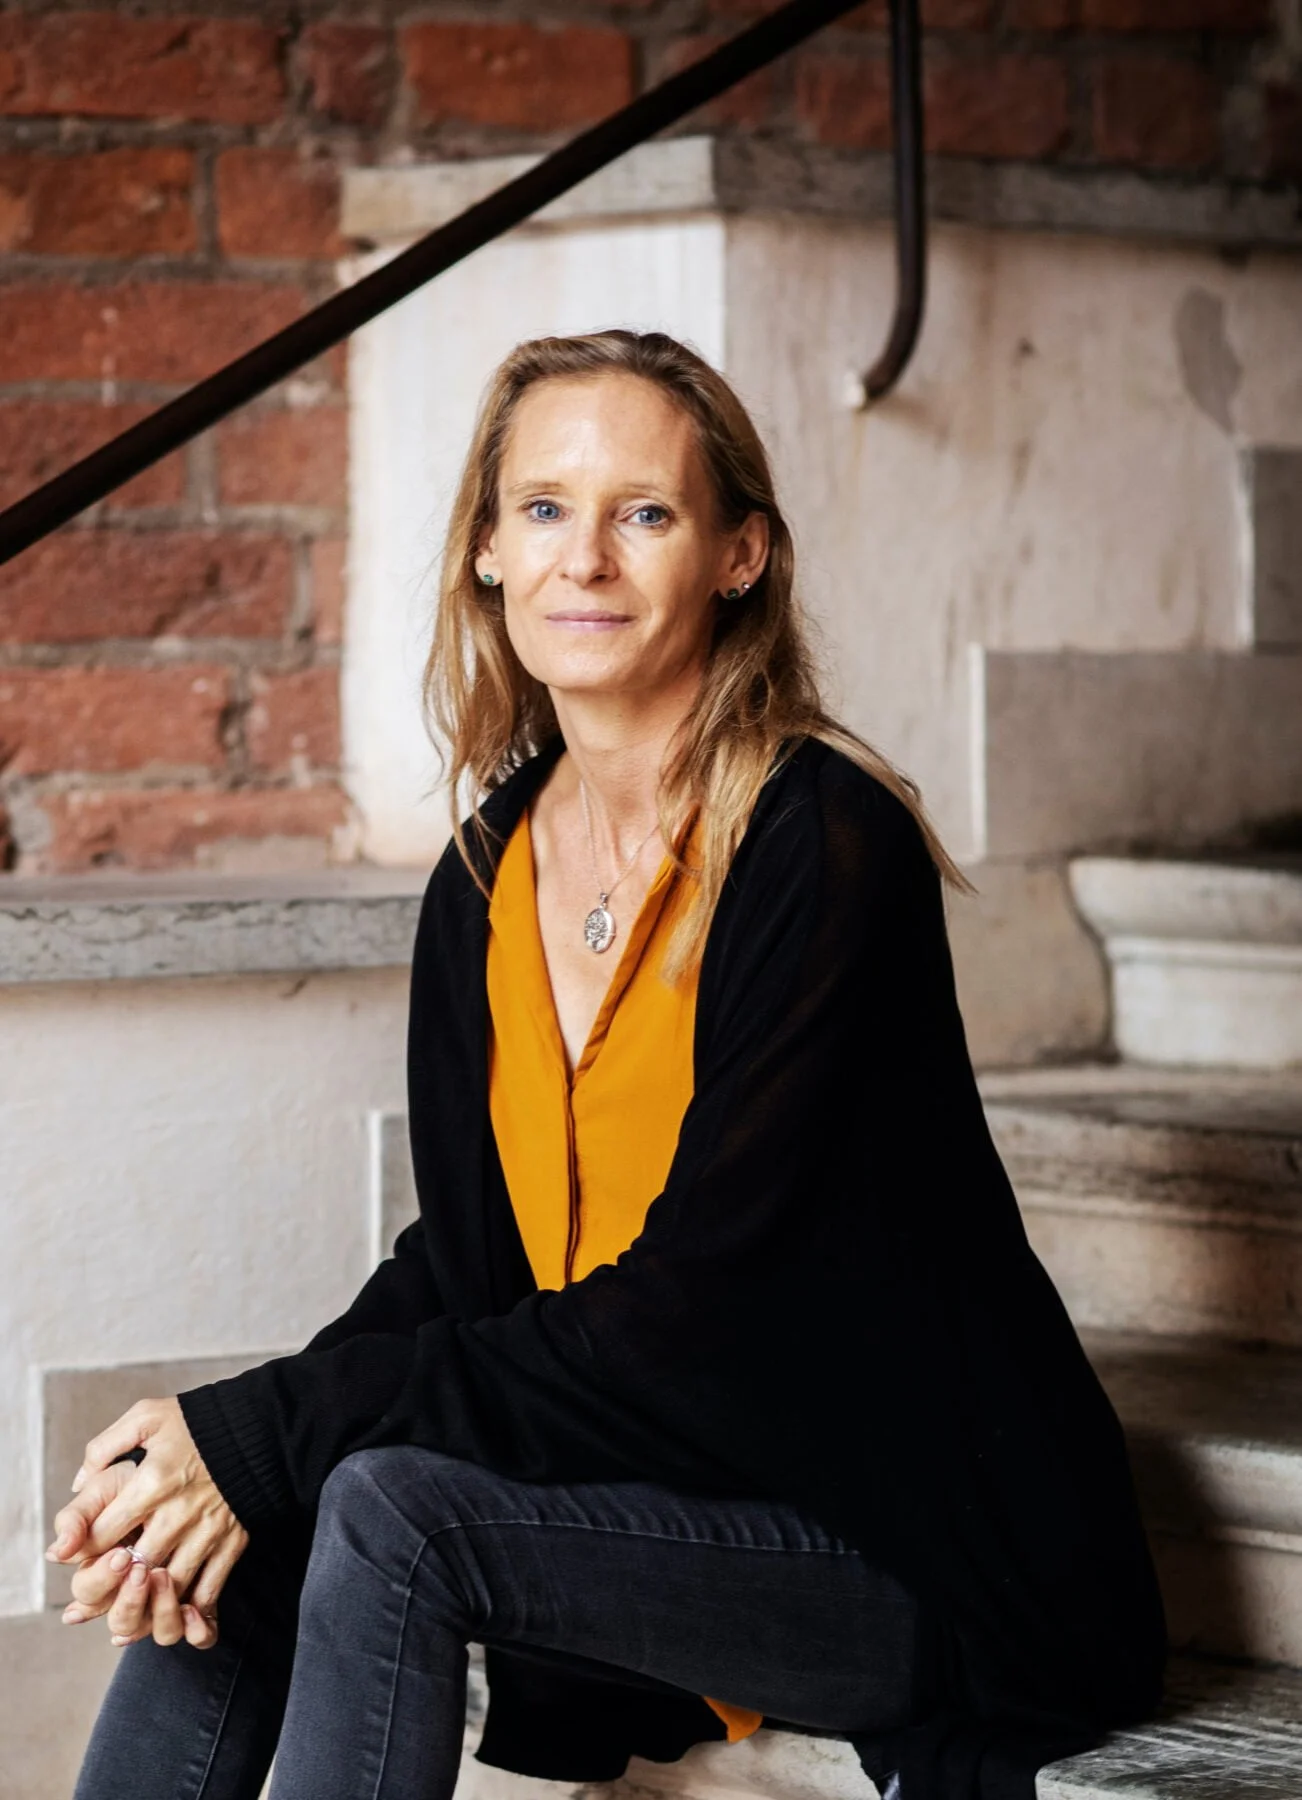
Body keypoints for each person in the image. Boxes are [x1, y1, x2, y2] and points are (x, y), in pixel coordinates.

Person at [51, 329, 1165, 1800]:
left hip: (894, 1544)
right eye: (542, 509)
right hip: (637, 1493)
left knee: (379, 1501)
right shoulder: (485, 875)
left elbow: (705, 1312)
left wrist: (270, 1435)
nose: (583, 558)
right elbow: (466, 1264)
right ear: (488, 553)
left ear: (738, 556)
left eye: (643, 511)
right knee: (242, 1515)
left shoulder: (820, 847)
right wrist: (221, 1454)